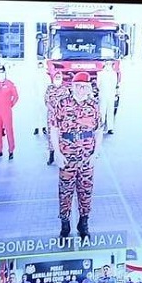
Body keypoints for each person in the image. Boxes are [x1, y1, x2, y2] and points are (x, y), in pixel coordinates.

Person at [51, 72, 100, 238]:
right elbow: (54, 128)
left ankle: (83, 221)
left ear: (88, 88)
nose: (80, 89)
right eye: (77, 86)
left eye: (84, 86)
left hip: (87, 156)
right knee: (65, 190)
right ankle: (65, 222)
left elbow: (99, 131)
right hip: (67, 154)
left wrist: (96, 153)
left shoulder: (94, 106)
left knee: (86, 190)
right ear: (72, 87)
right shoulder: (62, 104)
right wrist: (56, 152)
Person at [0, 68, 19, 159]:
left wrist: (10, 105)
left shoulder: (10, 84)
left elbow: (16, 96)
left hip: (7, 111)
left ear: (5, 73)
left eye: (2, 73)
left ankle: (11, 150)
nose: (1, 75)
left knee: (9, 130)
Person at [44, 71, 66, 166]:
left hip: (62, 116)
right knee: (51, 135)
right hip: (52, 115)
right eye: (56, 77)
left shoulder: (65, 89)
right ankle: (51, 156)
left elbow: (67, 102)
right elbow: (46, 101)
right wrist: (53, 110)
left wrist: (60, 112)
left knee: (62, 135)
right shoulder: (49, 88)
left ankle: (63, 155)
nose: (57, 78)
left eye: (59, 77)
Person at [98, 60, 118, 135]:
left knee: (110, 111)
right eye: (107, 64)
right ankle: (101, 126)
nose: (108, 65)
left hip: (111, 95)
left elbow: (115, 84)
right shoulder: (100, 74)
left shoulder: (114, 74)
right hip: (103, 94)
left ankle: (110, 128)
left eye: (110, 64)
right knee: (102, 111)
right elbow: (98, 84)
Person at [32, 61, 49, 135]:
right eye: (39, 67)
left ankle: (44, 128)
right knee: (36, 114)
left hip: (44, 98)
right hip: (37, 98)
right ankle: (36, 128)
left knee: (44, 114)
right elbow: (33, 87)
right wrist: (34, 96)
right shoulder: (35, 76)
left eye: (41, 66)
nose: (40, 68)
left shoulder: (46, 76)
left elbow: (49, 87)